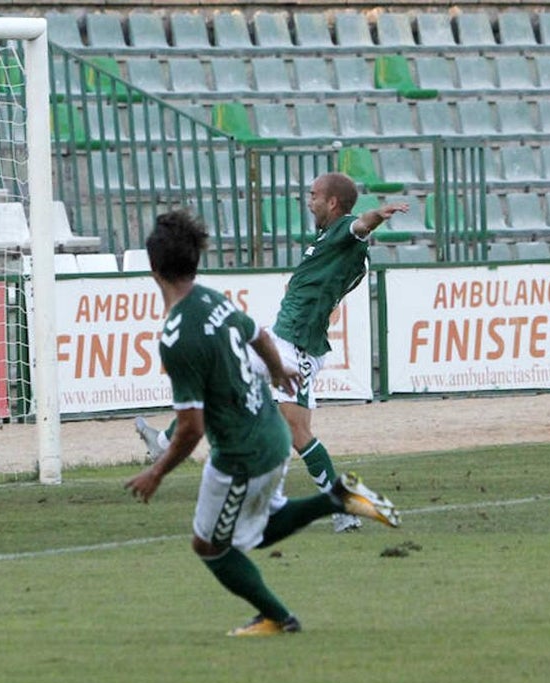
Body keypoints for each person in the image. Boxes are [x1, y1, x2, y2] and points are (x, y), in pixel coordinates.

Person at [124, 209, 399, 637]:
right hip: (270, 433)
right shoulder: (214, 300)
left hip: (241, 454)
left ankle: (277, 616)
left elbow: (193, 428)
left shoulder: (177, 337)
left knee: (211, 545)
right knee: (259, 526)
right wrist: (277, 372)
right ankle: (338, 496)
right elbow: (259, 336)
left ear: (153, 268)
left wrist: (156, 473)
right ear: (197, 259)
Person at [135, 172, 408, 532]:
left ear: (332, 202)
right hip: (285, 337)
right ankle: (166, 440)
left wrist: (377, 215)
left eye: (314, 195)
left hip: (298, 346)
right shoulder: (329, 239)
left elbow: (360, 226)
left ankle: (342, 505)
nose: (308, 201)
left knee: (298, 431)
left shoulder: (344, 230)